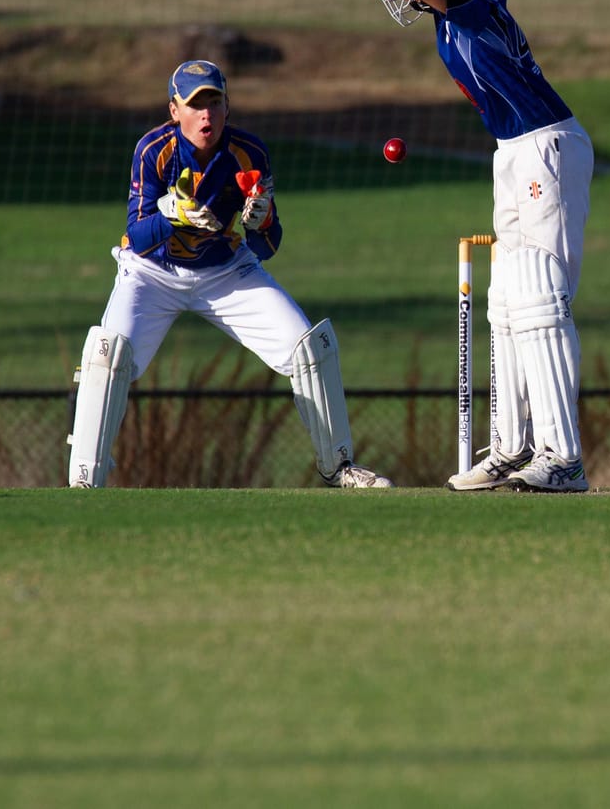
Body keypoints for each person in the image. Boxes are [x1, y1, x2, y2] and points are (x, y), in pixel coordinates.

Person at [312, 0, 594, 494]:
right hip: (514, 153)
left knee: (541, 300)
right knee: (508, 301)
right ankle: (517, 447)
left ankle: (564, 457)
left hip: (548, 147)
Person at [65, 59, 393, 489]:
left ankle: (339, 467)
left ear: (227, 107)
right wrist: (172, 215)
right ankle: (84, 480)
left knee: (307, 348)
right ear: (174, 110)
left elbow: (268, 247)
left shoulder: (249, 153)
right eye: (197, 105)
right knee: (108, 356)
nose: (207, 115)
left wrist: (260, 222)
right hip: (151, 273)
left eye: (215, 103)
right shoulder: (153, 150)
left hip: (224, 272)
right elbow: (138, 236)